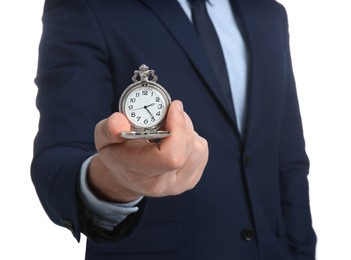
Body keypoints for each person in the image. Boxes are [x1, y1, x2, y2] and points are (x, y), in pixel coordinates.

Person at [31, 0, 317, 259]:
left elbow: (287, 160)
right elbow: (57, 158)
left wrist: (302, 252)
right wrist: (117, 182)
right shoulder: (88, 6)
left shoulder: (268, 13)